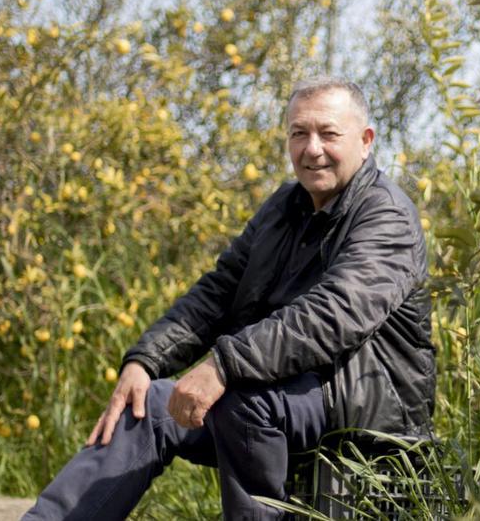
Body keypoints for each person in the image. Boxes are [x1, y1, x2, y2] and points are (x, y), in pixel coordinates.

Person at [22, 77, 436, 520]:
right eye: (299, 133)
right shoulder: (284, 206)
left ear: (365, 140)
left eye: (328, 134)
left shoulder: (386, 214)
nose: (312, 148)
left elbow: (333, 314)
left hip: (361, 401)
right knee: (149, 406)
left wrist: (223, 365)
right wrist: (145, 359)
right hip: (278, 384)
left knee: (245, 401)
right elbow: (219, 291)